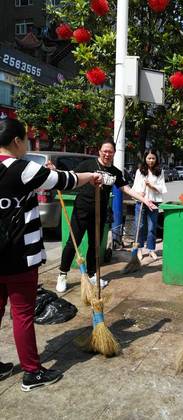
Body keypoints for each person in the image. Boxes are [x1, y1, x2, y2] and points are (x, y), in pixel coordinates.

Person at [0, 118, 103, 391]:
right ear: (16, 142)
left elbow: (22, 191)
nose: (28, 145)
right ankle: (31, 373)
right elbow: (66, 180)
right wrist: (91, 177)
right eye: (26, 140)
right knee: (22, 315)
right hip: (19, 256)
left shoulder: (22, 171)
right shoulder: (21, 168)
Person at [57, 140, 157, 292]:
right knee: (73, 242)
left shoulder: (116, 172)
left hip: (100, 212)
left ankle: (92, 274)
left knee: (94, 245)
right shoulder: (88, 165)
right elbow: (72, 177)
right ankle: (62, 274)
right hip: (82, 209)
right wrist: (55, 172)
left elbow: (127, 190)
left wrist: (145, 200)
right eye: (104, 150)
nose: (107, 153)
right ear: (99, 151)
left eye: (110, 151)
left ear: (114, 153)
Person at [132, 149, 167, 261]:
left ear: (156, 159)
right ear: (145, 158)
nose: (151, 160)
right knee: (140, 226)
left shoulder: (160, 171)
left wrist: (152, 186)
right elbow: (135, 186)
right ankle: (139, 249)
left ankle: (151, 249)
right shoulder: (140, 171)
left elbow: (161, 188)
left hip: (153, 203)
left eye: (153, 158)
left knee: (152, 227)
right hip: (141, 202)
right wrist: (139, 193)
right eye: (149, 158)